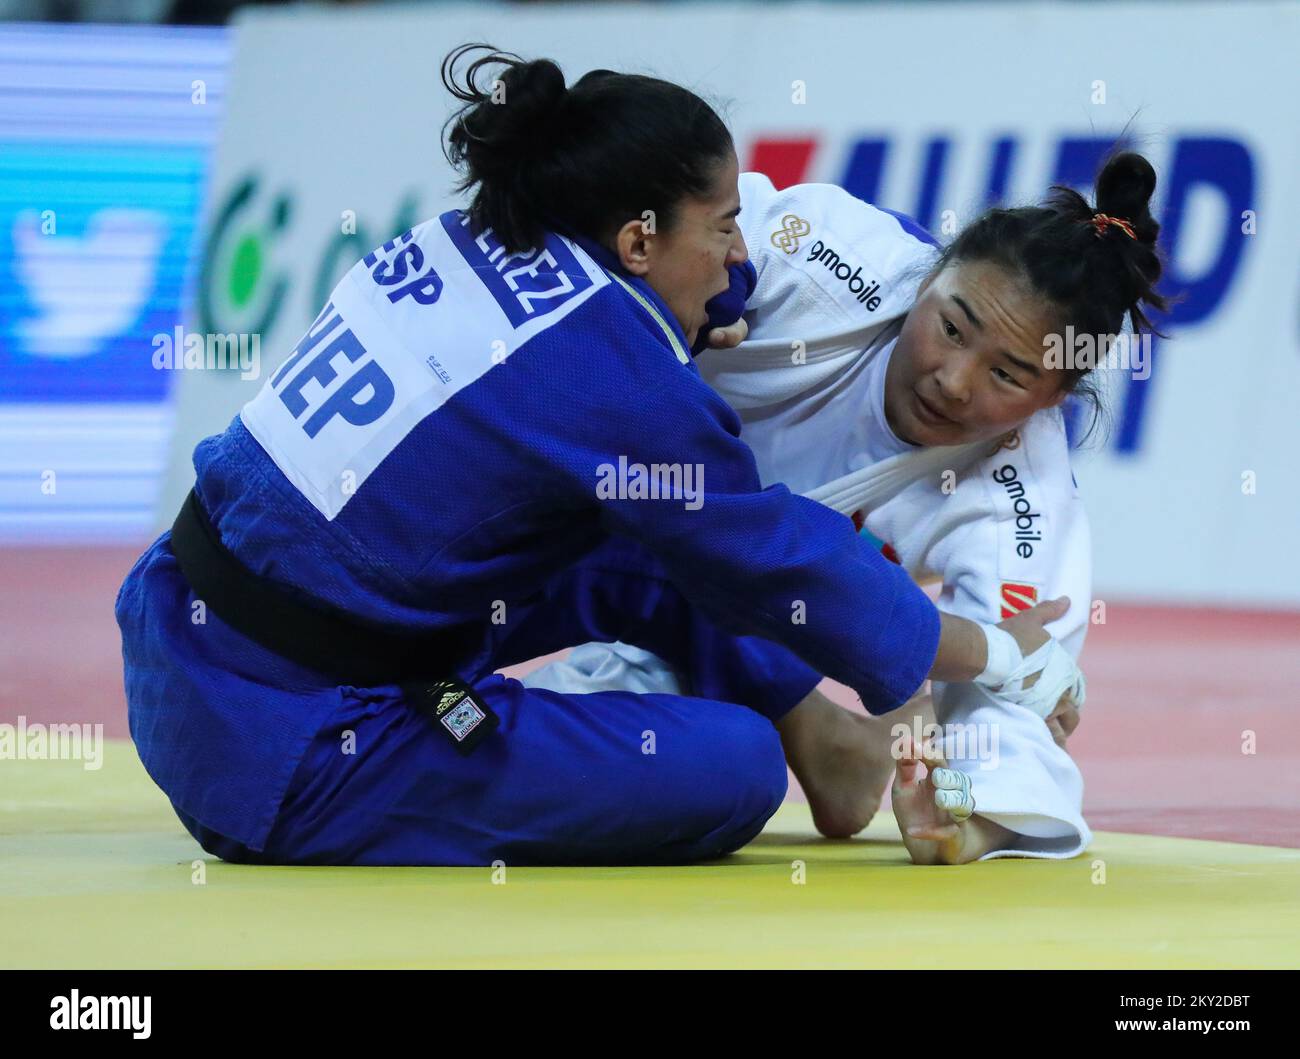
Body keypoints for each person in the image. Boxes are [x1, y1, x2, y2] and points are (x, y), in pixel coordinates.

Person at [115, 46, 1075, 867]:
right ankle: (792, 729)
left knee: (622, 534)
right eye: (725, 224)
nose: (742, 252)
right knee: (730, 766)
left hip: (180, 624)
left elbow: (630, 355)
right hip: (291, 745)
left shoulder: (475, 232)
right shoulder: (618, 379)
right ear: (636, 240)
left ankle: (823, 736)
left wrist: (698, 300)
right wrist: (999, 654)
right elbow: (778, 554)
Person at [530, 152, 1168, 863]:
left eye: (1008, 375)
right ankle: (816, 727)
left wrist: (964, 818)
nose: (954, 382)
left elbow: (1016, 694)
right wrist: (700, 296)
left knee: (606, 744)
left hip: (680, 607)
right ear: (926, 276)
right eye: (952, 328)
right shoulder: (838, 257)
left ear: (1052, 401)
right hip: (585, 509)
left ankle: (821, 735)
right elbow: (690, 226)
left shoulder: (1023, 497)